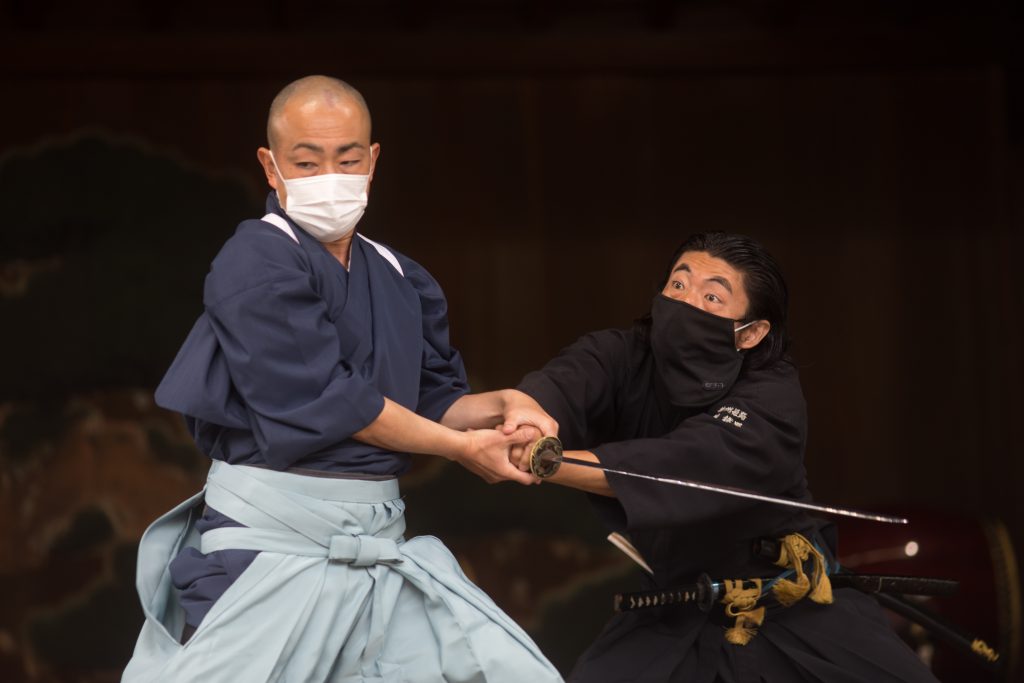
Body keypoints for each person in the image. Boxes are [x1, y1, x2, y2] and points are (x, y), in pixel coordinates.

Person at [122, 75, 562, 682]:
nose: (330, 175)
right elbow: (332, 400)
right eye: (307, 160)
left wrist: (501, 407)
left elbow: (430, 400)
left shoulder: (400, 276)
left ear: (373, 160)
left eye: (347, 158)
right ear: (270, 167)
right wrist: (461, 449)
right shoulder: (255, 260)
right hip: (270, 553)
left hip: (380, 550)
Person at [509, 232, 939, 682]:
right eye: (678, 285)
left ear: (751, 332)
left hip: (790, 607)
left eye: (712, 296)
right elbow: (561, 384)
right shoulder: (622, 355)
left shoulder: (772, 396)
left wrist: (549, 462)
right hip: (673, 609)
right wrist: (524, 421)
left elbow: (686, 463)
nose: (686, 302)